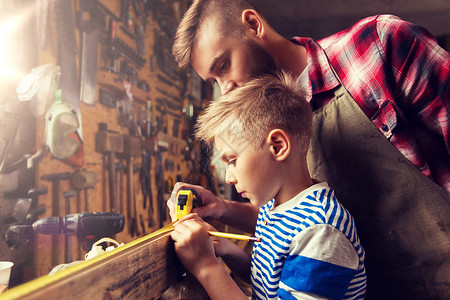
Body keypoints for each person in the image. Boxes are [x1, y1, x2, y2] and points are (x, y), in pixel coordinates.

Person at [168, 0, 449, 298]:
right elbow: (296, 220)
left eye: (223, 66)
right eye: (214, 80)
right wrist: (223, 210)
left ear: (253, 25)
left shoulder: (377, 46)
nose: (225, 89)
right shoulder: (272, 127)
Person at [171, 72, 367, 300]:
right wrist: (224, 249)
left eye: (233, 161)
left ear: (277, 146)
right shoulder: (275, 207)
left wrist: (206, 267)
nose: (228, 178)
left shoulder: (320, 232)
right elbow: (268, 284)